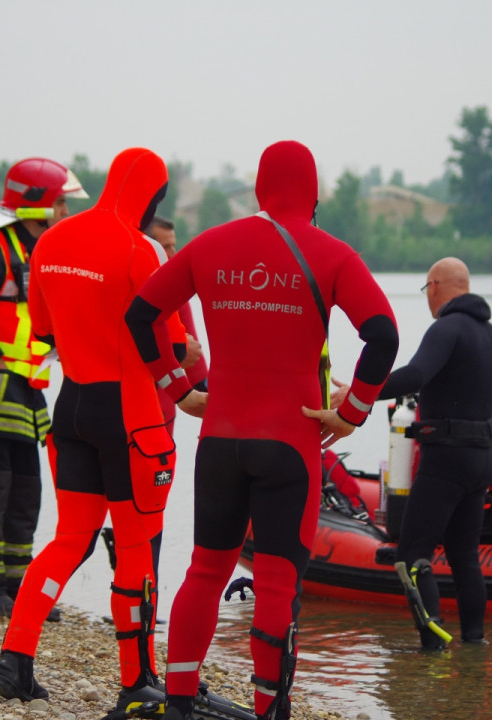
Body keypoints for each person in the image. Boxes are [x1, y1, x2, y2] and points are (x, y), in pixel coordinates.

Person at [125, 140, 399, 720]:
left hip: (220, 440)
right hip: (290, 445)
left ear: (258, 189)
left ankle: (177, 701)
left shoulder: (211, 245)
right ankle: (269, 709)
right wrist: (351, 415)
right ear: (316, 194)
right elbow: (384, 335)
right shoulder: (334, 255)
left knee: (204, 568)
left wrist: (178, 389)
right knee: (276, 584)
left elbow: (141, 314)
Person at [0, 147, 186, 708]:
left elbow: (43, 329)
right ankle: (136, 679)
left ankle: (15, 658)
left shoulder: (51, 240)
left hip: (71, 403)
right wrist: (187, 374)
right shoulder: (140, 247)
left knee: (70, 537)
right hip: (129, 412)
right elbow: (165, 338)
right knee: (137, 542)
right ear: (151, 197)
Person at [0, 158, 87, 617]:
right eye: (60, 202)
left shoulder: (43, 249)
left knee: (26, 489)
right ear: (37, 204)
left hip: (29, 389)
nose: (65, 210)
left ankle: (16, 585)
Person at [377, 257, 492, 649]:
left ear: (436, 285)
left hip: (444, 461)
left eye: (427, 290)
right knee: (464, 558)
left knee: (411, 555)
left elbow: (416, 375)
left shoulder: (445, 328)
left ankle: (433, 646)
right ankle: (474, 644)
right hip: (481, 463)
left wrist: (361, 390)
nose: (428, 298)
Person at [145, 215, 207, 434]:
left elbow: (196, 361)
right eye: (165, 247)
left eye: (173, 246)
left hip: (165, 407)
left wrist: (212, 404)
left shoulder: (176, 290)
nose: (173, 254)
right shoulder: (128, 287)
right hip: (133, 401)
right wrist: (176, 347)